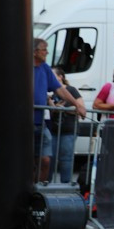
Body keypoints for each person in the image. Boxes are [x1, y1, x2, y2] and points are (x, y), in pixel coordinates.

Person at [33, 39, 84, 181]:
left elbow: (60, 89)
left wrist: (77, 105)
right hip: (25, 123)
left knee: (45, 161)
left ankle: (38, 191)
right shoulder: (24, 67)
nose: (47, 52)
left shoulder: (45, 68)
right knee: (29, 162)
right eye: (44, 49)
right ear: (34, 52)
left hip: (40, 124)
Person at [50, 67, 88, 183]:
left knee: (66, 158)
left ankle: (65, 184)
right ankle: (46, 182)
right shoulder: (50, 91)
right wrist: (52, 105)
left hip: (69, 129)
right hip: (53, 128)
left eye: (53, 74)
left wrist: (63, 109)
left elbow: (81, 107)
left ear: (60, 77)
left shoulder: (71, 90)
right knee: (50, 157)